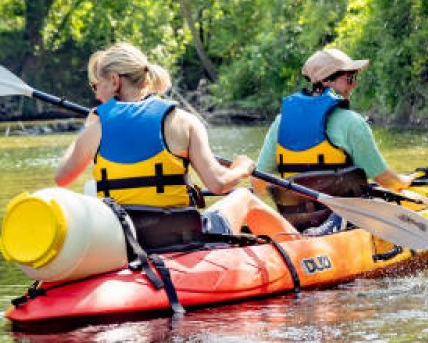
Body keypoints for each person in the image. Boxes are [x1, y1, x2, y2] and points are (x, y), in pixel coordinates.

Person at [54, 43, 297, 247]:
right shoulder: (184, 121)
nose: (96, 95)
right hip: (181, 237)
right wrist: (243, 167)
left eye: (97, 85)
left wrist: (86, 130)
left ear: (115, 81)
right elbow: (218, 184)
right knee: (243, 195)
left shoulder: (96, 128)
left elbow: (62, 178)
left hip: (125, 241)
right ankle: (301, 249)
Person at [256, 48, 428, 234]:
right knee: (387, 197)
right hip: (350, 223)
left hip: (297, 223)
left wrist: (295, 196)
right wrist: (403, 180)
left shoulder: (279, 123)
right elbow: (385, 179)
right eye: (349, 78)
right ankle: (332, 225)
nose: (354, 84)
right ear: (325, 81)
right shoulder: (352, 123)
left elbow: (258, 185)